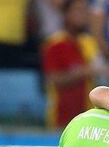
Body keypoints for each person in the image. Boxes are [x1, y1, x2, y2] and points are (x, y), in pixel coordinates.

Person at [41, 0, 100, 128]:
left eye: (85, 10)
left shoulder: (89, 43)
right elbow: (54, 79)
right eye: (78, 10)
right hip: (60, 118)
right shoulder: (54, 44)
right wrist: (83, 72)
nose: (83, 14)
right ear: (66, 14)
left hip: (87, 119)